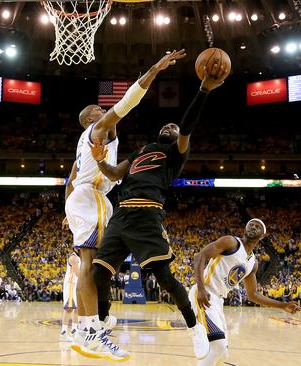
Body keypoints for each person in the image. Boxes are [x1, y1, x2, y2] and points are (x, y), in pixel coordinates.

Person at [85, 60, 228, 360]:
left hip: (148, 215)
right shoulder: (142, 149)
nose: (170, 127)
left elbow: (187, 125)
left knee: (164, 278)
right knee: (98, 274)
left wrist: (203, 90)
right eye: (167, 125)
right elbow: (113, 174)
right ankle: (104, 320)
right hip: (121, 215)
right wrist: (99, 160)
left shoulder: (176, 153)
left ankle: (194, 328)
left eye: (173, 128)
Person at [66, 50, 186, 362]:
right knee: (90, 266)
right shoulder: (98, 130)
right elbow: (126, 103)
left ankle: (88, 327)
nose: (101, 107)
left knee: (93, 266)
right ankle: (90, 331)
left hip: (89, 197)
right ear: (91, 119)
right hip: (91, 197)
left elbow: (71, 179)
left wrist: (69, 210)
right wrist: (154, 70)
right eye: (96, 108)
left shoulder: (90, 143)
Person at [191, 219, 301, 365]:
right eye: (251, 224)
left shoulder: (252, 263)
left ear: (262, 236)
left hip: (218, 300)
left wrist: (282, 305)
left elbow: (253, 294)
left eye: (258, 226)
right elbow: (200, 256)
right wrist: (201, 288)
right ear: (245, 229)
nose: (253, 227)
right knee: (218, 346)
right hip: (205, 294)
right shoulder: (231, 242)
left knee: (223, 352)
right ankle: (195, 330)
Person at [60, 252, 80, 342]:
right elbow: (78, 274)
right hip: (71, 285)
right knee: (69, 308)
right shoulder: (73, 257)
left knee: (77, 309)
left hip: (77, 284)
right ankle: (63, 333)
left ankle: (74, 331)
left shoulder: (81, 257)